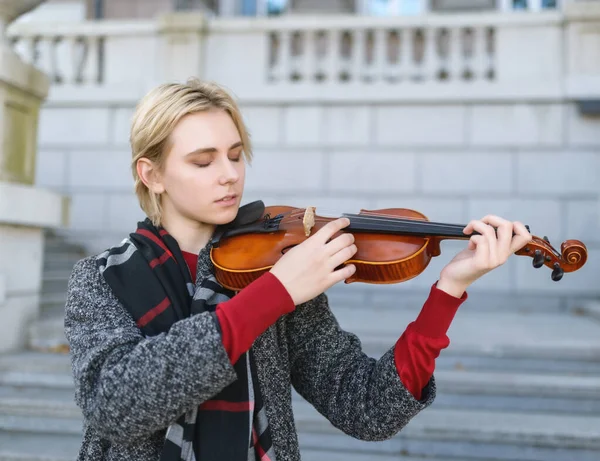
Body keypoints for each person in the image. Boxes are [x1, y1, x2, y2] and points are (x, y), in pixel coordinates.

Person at [63, 78, 532, 461]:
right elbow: (115, 405)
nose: (229, 174)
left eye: (234, 153)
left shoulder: (272, 264)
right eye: (203, 161)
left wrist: (448, 290)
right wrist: (274, 295)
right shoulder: (101, 280)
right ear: (153, 175)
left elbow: (367, 408)